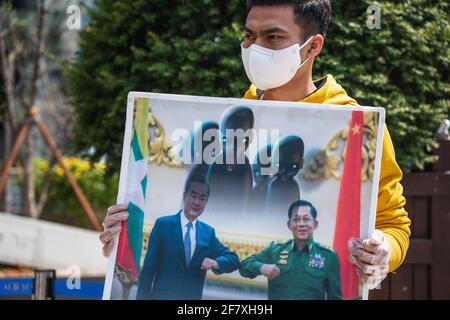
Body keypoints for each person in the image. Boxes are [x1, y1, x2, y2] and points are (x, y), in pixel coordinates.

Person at [101, 0, 411, 290]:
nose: (255, 48)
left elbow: (394, 225)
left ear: (312, 46)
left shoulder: (356, 128)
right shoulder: (232, 112)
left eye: (273, 37)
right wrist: (125, 233)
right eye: (250, 36)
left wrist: (383, 249)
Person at [131, 175, 239, 299]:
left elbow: (234, 259)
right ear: (184, 196)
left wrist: (215, 263)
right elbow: (148, 272)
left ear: (206, 202)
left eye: (202, 198)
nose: (197, 202)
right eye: (193, 196)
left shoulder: (208, 233)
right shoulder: (163, 225)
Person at [239, 200, 341, 300]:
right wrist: (261, 267)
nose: (301, 224)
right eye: (296, 220)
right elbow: (243, 267)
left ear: (315, 224)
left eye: (306, 219)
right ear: (289, 225)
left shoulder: (329, 256)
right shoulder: (275, 251)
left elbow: (335, 297)